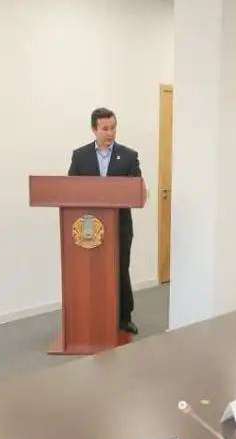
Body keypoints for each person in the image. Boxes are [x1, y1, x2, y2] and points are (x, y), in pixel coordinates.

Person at [68, 107, 143, 335]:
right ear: (94, 129)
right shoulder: (80, 156)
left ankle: (124, 317)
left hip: (120, 224)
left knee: (120, 269)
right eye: (105, 128)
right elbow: (70, 188)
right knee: (92, 270)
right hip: (89, 225)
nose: (110, 133)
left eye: (113, 128)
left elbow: (137, 189)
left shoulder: (129, 156)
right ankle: (93, 313)